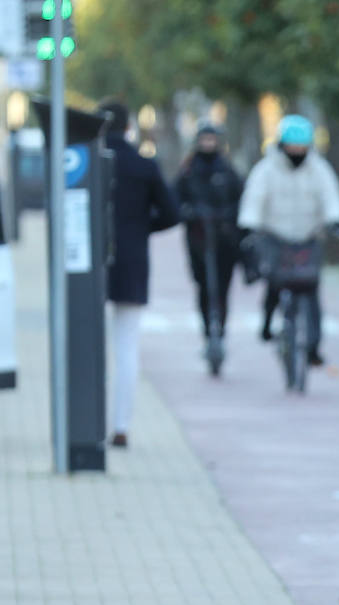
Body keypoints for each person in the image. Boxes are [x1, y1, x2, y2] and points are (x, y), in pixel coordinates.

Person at [100, 99, 181, 449]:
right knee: (127, 345)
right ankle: (121, 426)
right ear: (128, 127)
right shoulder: (142, 165)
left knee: (90, 345)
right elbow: (171, 213)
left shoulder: (87, 162)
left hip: (89, 265)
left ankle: (88, 422)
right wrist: (139, 229)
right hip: (132, 260)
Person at [237, 114, 339, 365]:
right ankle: (266, 324)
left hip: (308, 235)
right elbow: (255, 198)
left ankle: (313, 346)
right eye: (292, 146)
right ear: (282, 144)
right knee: (275, 282)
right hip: (275, 234)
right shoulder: (266, 169)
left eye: (302, 146)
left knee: (311, 286)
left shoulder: (319, 169)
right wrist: (249, 225)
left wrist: (336, 220)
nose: (297, 151)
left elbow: (330, 196)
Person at [173, 122, 242, 341]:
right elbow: (175, 198)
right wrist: (188, 212)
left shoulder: (228, 169)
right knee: (202, 283)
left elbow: (240, 198)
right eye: (204, 139)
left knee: (223, 285)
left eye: (211, 139)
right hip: (198, 237)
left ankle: (220, 328)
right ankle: (207, 329)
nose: (208, 144)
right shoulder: (188, 170)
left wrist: (229, 215)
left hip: (224, 238)